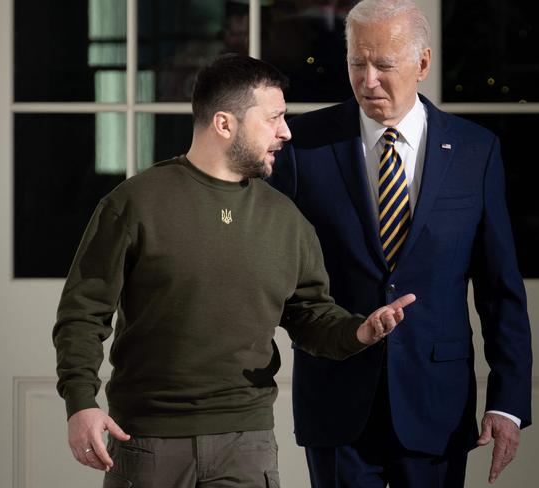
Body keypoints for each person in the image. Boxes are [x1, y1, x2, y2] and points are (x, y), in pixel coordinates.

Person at [52, 53, 416, 488]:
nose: (286, 132)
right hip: (147, 442)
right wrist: (81, 404)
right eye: (274, 118)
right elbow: (82, 314)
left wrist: (359, 332)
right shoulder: (134, 204)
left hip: (247, 446)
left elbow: (310, 316)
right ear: (224, 124)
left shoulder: (286, 219)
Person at [268, 1, 533, 487]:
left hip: (437, 404)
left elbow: (500, 289)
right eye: (356, 63)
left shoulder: (476, 151)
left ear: (423, 64)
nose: (368, 80)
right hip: (335, 401)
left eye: (384, 65)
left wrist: (508, 402)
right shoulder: (302, 144)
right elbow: (266, 269)